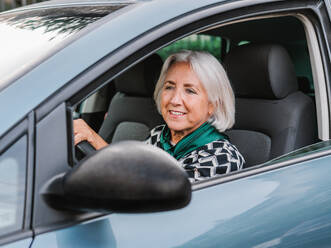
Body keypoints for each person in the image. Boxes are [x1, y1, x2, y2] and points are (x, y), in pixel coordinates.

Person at [74, 50, 245, 182]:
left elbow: (152, 191)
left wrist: (96, 141)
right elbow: (132, 169)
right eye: (169, 87)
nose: (175, 100)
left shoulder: (222, 158)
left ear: (212, 105)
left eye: (190, 91)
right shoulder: (159, 135)